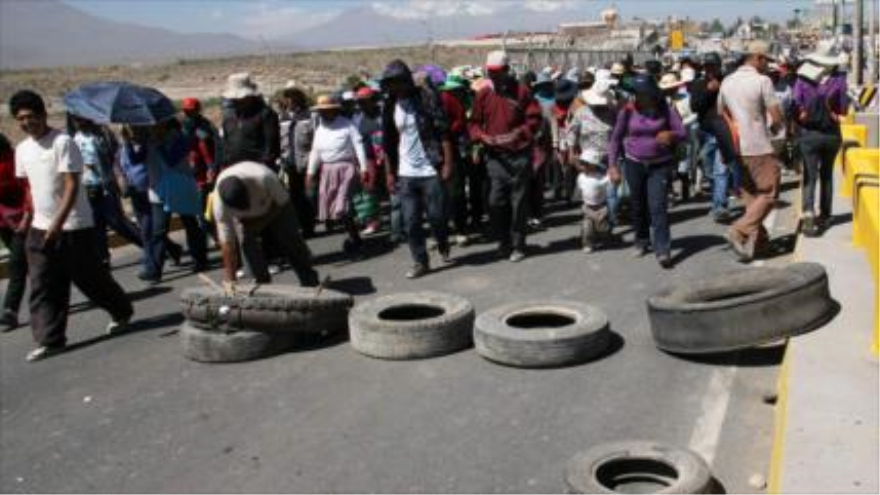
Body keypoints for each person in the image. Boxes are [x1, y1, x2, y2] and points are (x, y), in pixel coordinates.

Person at [9, 90, 133, 362]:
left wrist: (59, 221)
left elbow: (71, 184)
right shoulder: (22, 149)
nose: (27, 123)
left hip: (74, 225)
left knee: (89, 278)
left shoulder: (62, 142)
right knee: (43, 284)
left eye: (31, 116)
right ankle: (50, 340)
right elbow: (29, 188)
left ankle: (121, 311)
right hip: (41, 227)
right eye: (21, 119)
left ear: (42, 115)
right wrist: (30, 218)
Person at [381, 59, 454, 278]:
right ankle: (421, 261)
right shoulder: (390, 105)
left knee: (436, 216)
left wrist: (448, 163)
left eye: (398, 81)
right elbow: (388, 143)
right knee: (411, 221)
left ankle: (442, 241)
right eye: (391, 83)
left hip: (430, 168)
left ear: (406, 80)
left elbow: (443, 132)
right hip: (406, 172)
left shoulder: (426, 98)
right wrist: (389, 172)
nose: (395, 87)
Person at [469, 51, 542, 262]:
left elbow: (535, 120)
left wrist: (520, 132)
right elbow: (473, 122)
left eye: (497, 73)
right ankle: (503, 240)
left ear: (507, 71)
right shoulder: (483, 94)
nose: (493, 77)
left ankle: (518, 244)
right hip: (495, 157)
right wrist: (482, 137)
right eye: (490, 73)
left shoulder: (521, 92)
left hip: (519, 156)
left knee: (518, 202)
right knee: (495, 201)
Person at [608, 74, 687, 269]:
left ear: (651, 93)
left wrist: (671, 134)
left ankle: (662, 249)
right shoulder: (627, 110)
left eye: (640, 93)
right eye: (635, 93)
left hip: (660, 165)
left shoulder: (665, 109)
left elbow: (682, 132)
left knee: (658, 206)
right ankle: (642, 240)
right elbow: (616, 139)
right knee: (638, 204)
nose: (636, 97)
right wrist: (612, 165)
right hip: (634, 163)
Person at [719, 40, 785, 262]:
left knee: (751, 198)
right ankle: (738, 230)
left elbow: (721, 113)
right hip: (758, 146)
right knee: (768, 193)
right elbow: (776, 116)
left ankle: (759, 244)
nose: (768, 65)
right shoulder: (762, 81)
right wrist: (777, 130)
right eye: (767, 60)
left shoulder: (727, 81)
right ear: (758, 58)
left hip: (736, 147)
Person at [214, 161, 319, 290]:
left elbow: (284, 203)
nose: (245, 208)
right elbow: (227, 244)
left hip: (276, 207)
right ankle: (262, 285)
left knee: (290, 239)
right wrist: (230, 279)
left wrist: (260, 222)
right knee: (246, 244)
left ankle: (309, 280)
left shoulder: (264, 177)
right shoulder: (219, 204)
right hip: (246, 220)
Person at [793, 42, 850, 237]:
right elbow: (843, 109)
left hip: (809, 134)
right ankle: (825, 215)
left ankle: (808, 213)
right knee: (827, 175)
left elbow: (796, 104)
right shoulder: (839, 79)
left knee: (810, 175)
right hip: (832, 134)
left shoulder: (802, 78)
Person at [142, 118, 209, 283]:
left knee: (190, 224)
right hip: (158, 190)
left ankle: (200, 259)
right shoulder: (147, 140)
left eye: (155, 124)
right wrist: (130, 143)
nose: (152, 127)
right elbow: (136, 159)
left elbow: (171, 160)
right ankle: (154, 270)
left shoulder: (179, 137)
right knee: (158, 231)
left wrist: (158, 144)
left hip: (180, 187)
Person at [70, 115, 143, 265]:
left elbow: (113, 154)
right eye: (74, 120)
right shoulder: (75, 138)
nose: (77, 123)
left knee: (117, 223)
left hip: (106, 185)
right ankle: (103, 259)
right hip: (88, 187)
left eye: (79, 119)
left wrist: (95, 163)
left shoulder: (100, 134)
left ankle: (153, 246)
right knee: (97, 225)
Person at [306, 94, 369, 256]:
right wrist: (310, 172)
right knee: (335, 209)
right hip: (327, 170)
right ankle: (353, 237)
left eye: (326, 110)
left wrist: (363, 168)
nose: (323, 114)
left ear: (334, 110)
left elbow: (358, 145)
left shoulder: (347, 125)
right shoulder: (320, 129)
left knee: (343, 206)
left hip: (346, 169)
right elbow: (315, 151)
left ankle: (355, 239)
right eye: (321, 111)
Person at [689, 52, 740, 223]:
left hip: (724, 132)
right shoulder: (698, 84)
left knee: (721, 170)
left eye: (713, 66)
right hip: (705, 133)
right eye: (707, 67)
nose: (710, 70)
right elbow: (694, 106)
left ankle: (720, 206)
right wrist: (709, 91)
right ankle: (719, 195)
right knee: (707, 168)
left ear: (719, 67)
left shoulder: (729, 82)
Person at [567, 71, 619, 226]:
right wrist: (571, 152)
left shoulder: (613, 113)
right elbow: (572, 131)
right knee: (592, 195)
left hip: (609, 158)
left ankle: (608, 223)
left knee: (611, 194)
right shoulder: (581, 113)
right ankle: (591, 223)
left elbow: (619, 134)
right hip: (588, 160)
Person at [0, 131, 30, 331]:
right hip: (4, 224)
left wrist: (27, 216)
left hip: (23, 219)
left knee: (17, 264)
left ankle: (10, 309)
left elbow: (27, 188)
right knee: (27, 262)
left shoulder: (13, 161)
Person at [221, 73, 280, 170]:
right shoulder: (229, 117)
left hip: (260, 166)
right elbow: (226, 143)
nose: (237, 101)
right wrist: (225, 162)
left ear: (250, 96)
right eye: (234, 99)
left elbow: (271, 142)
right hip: (233, 166)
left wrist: (265, 164)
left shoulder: (265, 114)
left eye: (240, 99)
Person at [180, 97, 220, 240]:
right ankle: (215, 236)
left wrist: (212, 168)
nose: (188, 114)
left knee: (206, 211)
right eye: (186, 111)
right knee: (202, 212)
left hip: (205, 175)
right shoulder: (183, 128)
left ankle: (216, 236)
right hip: (192, 175)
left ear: (197, 110)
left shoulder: (206, 127)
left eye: (191, 111)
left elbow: (213, 150)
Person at [281, 86, 318, 238]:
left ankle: (310, 226)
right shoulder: (281, 118)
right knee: (295, 197)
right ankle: (302, 226)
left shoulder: (310, 116)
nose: (290, 99)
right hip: (289, 164)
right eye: (288, 96)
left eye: (294, 96)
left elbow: (317, 140)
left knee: (309, 195)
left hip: (307, 162)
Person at [354, 86, 385, 236]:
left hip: (386, 154)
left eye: (364, 102)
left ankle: (400, 220)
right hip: (368, 157)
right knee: (369, 187)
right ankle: (373, 222)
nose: (361, 105)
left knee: (392, 187)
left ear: (373, 101)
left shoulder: (384, 113)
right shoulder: (358, 118)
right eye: (359, 102)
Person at [575, 149, 612, 253]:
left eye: (586, 164)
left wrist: (613, 174)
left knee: (602, 228)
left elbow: (611, 180)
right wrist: (577, 199)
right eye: (582, 164)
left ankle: (603, 237)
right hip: (588, 207)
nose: (583, 166)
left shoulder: (601, 177)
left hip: (601, 207)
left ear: (594, 165)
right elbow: (579, 189)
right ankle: (588, 244)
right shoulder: (581, 177)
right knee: (587, 227)